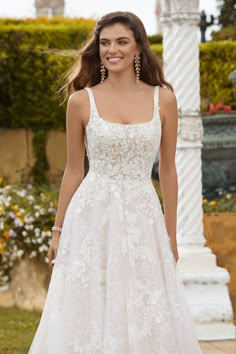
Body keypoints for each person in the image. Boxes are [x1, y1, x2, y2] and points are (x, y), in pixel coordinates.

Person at [29, 11, 202, 354]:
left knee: (145, 299)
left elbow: (168, 169)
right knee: (90, 303)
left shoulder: (163, 98)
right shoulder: (81, 101)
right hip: (92, 216)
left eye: (122, 42)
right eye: (105, 43)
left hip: (143, 214)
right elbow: (74, 171)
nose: (113, 50)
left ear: (139, 47)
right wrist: (58, 230)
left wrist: (171, 235)